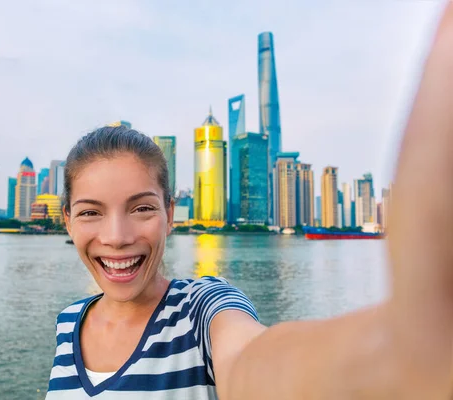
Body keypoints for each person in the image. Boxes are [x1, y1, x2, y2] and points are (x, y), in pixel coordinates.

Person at [46, 4, 453, 398]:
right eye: (90, 212)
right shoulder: (69, 324)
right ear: (67, 220)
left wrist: (399, 353)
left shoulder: (203, 310)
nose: (116, 237)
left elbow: (251, 362)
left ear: (170, 213)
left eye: (142, 208)